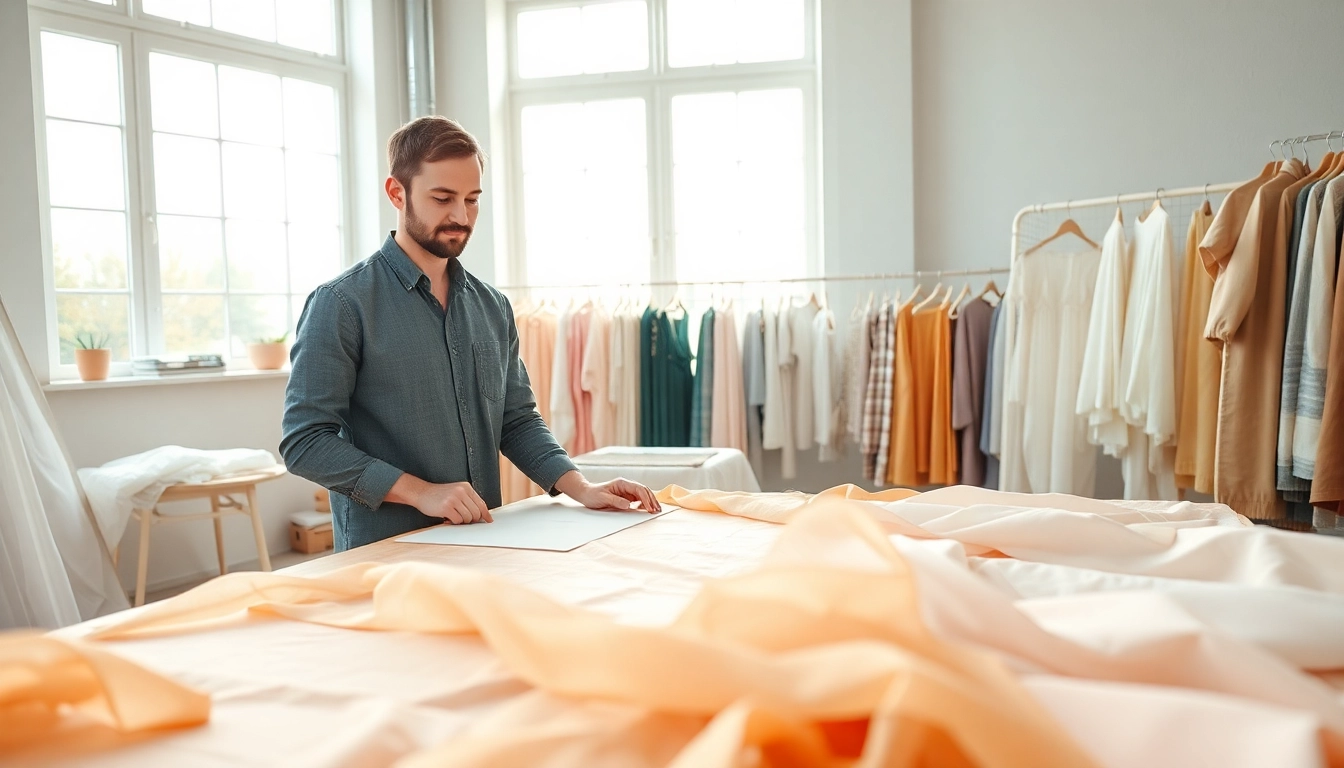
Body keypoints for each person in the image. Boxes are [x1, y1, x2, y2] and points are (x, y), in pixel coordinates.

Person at [281, 117, 659, 551]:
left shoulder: (492, 306)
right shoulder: (341, 305)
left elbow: (516, 420)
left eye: (472, 200)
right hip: (386, 555)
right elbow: (305, 442)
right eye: (443, 198)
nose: (461, 216)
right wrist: (421, 492)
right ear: (397, 193)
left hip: (483, 542)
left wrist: (582, 487)